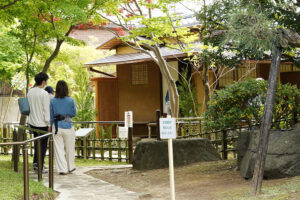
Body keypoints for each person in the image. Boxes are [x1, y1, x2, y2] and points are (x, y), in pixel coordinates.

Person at [50, 80, 77, 175]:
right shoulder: (70, 100)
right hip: (68, 126)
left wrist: (50, 125)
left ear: (56, 89)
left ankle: (62, 169)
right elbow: (74, 113)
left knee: (58, 149)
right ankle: (70, 167)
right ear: (66, 89)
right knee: (70, 148)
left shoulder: (52, 100)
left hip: (57, 127)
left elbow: (51, 115)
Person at [27, 72, 51, 173]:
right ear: (44, 81)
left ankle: (36, 164)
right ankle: (40, 167)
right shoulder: (44, 93)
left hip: (32, 123)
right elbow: (46, 110)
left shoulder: (30, 92)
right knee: (43, 146)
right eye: (46, 81)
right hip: (42, 124)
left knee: (37, 144)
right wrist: (49, 123)